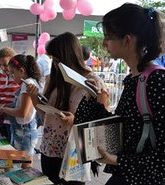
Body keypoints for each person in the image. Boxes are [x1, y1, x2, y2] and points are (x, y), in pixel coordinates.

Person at [84, 4, 165, 185]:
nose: (104, 43)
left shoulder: (156, 81)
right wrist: (94, 99)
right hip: (128, 176)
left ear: (127, 40)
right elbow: (126, 128)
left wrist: (117, 160)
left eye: (108, 37)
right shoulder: (135, 78)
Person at [26, 32, 109, 184]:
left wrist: (75, 120)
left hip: (74, 152)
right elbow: (46, 116)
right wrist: (33, 97)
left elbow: (101, 124)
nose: (54, 63)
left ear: (69, 56)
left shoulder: (93, 82)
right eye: (52, 58)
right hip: (49, 148)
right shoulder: (53, 78)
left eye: (57, 58)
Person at [0, 54, 41, 168]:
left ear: (21, 70)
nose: (11, 76)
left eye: (12, 73)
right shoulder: (26, 84)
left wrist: (3, 109)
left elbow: (22, 113)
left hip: (26, 132)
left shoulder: (28, 84)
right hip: (21, 130)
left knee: (25, 167)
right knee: (20, 163)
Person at [0, 47, 20, 142]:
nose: (2, 68)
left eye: (5, 65)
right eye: (0, 64)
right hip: (0, 117)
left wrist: (5, 109)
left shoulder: (18, 76)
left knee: (12, 147)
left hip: (14, 118)